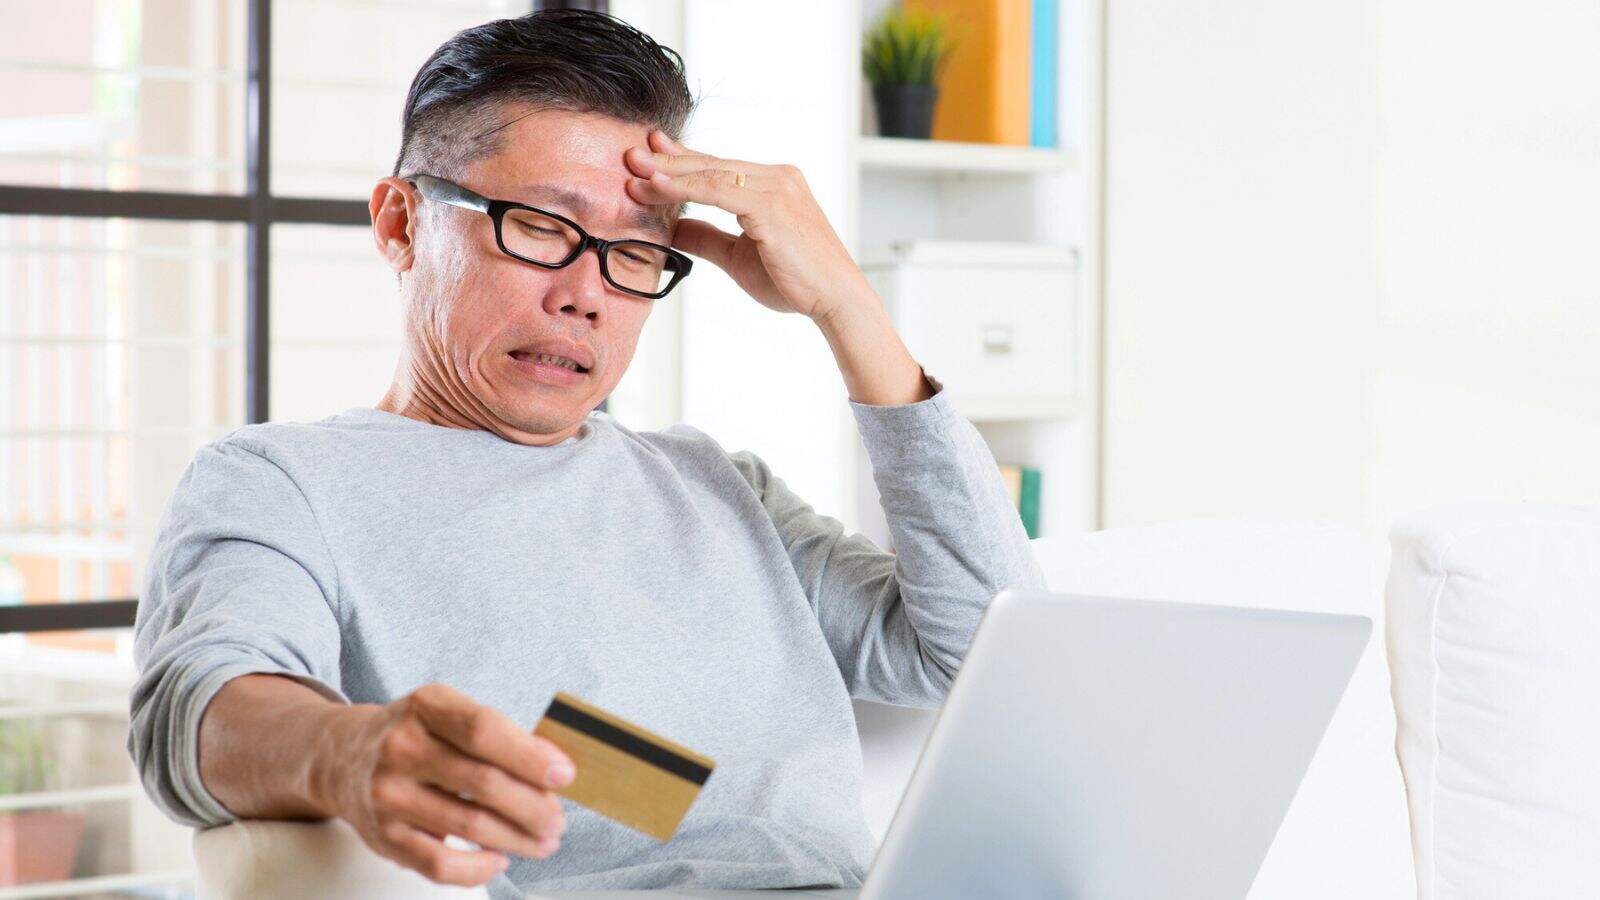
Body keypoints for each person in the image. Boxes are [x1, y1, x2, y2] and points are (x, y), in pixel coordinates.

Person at [128, 9, 1043, 897]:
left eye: (635, 252)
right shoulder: (283, 486)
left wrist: (848, 306)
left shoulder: (719, 487)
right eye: (539, 227)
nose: (587, 295)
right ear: (402, 224)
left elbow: (985, 655)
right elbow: (200, 710)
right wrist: (349, 752)